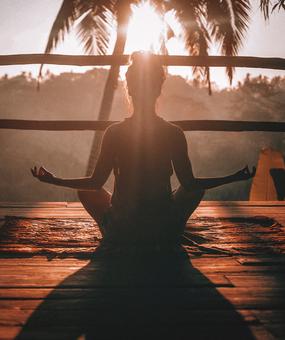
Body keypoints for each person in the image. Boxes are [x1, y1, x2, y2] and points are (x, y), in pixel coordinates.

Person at [31, 52, 255, 250]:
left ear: (129, 89)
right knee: (194, 189)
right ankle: (173, 228)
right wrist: (233, 177)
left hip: (123, 230)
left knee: (86, 191)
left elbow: (94, 182)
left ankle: (113, 232)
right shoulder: (173, 132)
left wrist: (55, 180)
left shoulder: (115, 132)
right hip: (163, 230)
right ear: (158, 89)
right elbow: (190, 184)